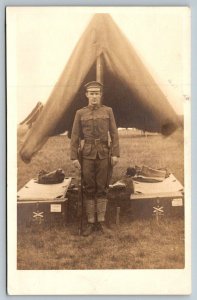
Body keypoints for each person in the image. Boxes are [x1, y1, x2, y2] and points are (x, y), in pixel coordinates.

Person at [70, 81, 120, 236]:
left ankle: (102, 222)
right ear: (86, 95)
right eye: (91, 93)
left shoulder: (108, 111)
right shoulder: (80, 113)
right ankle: (91, 222)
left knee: (103, 186)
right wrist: (74, 157)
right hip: (87, 155)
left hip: (104, 153)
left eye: (96, 93)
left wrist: (115, 154)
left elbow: (114, 133)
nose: (94, 97)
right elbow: (75, 136)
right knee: (89, 187)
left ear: (100, 95)